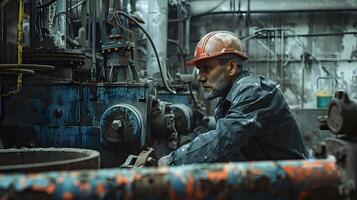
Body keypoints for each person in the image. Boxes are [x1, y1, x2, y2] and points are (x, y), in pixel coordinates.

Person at [158, 31, 308, 166]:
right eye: (199, 70)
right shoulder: (228, 97)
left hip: (291, 185)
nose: (200, 77)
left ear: (231, 67)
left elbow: (223, 140)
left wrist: (171, 161)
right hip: (268, 178)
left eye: (206, 68)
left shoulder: (253, 91)